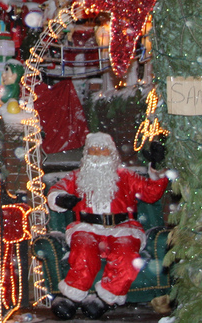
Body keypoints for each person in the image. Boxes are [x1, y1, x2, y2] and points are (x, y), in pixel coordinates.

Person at [46, 132, 169, 320]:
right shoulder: (77, 177)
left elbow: (150, 193)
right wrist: (60, 199)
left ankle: (105, 297)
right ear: (87, 154)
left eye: (102, 149)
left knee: (127, 256)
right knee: (83, 251)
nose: (97, 154)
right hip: (86, 227)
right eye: (93, 150)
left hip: (123, 228)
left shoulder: (126, 176)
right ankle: (72, 295)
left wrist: (156, 168)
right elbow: (56, 190)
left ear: (111, 153)